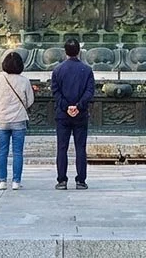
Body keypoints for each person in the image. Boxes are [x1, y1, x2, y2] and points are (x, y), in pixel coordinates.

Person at [51, 38, 95, 190]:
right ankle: (81, 180)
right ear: (79, 52)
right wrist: (78, 106)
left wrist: (66, 107)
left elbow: (56, 92)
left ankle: (62, 180)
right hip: (81, 114)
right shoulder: (87, 70)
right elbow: (89, 92)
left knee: (62, 148)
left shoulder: (57, 70)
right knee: (80, 148)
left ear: (65, 52)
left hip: (62, 115)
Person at [0, 51, 34, 191]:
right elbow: (30, 101)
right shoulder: (25, 81)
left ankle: (2, 181)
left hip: (2, 120)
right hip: (19, 120)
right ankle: (16, 181)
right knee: (18, 152)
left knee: (2, 151)